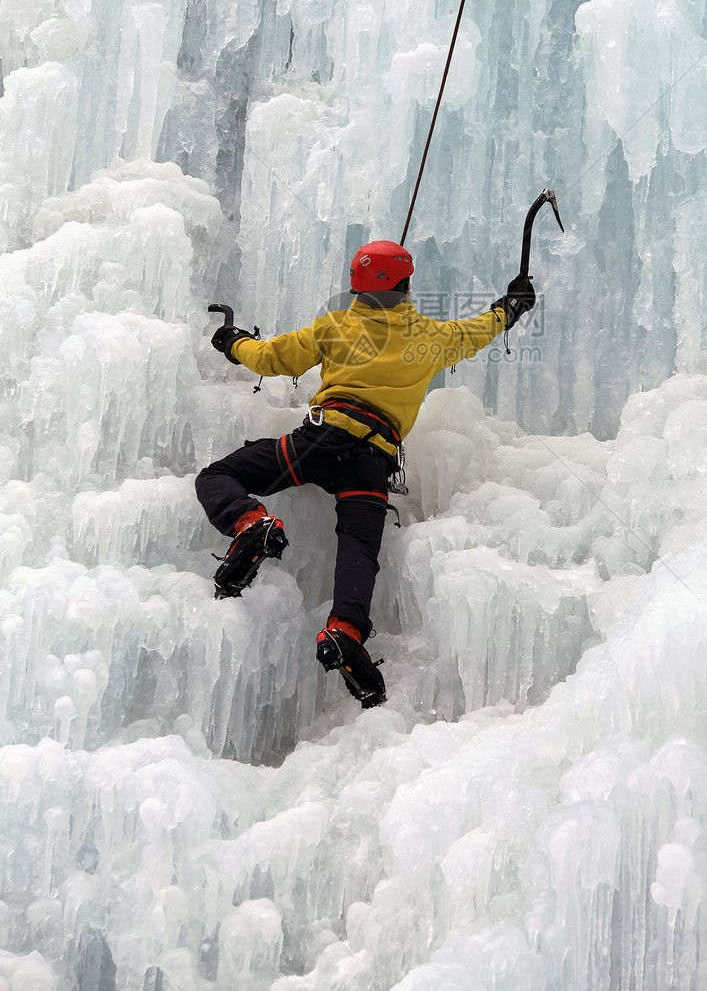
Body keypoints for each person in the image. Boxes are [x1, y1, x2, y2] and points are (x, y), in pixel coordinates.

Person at [195, 240, 536, 707]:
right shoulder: (431, 338)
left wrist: (233, 341)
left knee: (216, 477)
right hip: (372, 459)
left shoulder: (336, 325)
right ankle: (345, 632)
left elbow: (272, 357)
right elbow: (477, 332)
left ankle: (250, 523)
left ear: (355, 284)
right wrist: (510, 307)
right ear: (407, 283)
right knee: (359, 551)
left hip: (321, 440)